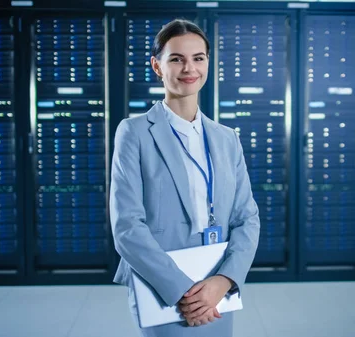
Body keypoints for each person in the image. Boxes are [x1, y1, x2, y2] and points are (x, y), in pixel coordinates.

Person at [109, 18, 260, 337]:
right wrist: (182, 291)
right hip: (164, 287)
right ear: (157, 66)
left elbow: (247, 218)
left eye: (198, 58)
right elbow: (126, 226)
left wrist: (225, 281)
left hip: (217, 285)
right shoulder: (134, 133)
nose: (189, 68)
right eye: (176, 58)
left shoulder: (226, 138)